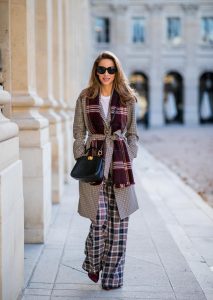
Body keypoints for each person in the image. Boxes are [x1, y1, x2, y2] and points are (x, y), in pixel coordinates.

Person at [73, 51, 139, 290]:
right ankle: (93, 261)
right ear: (95, 71)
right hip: (95, 162)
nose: (106, 74)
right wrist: (81, 155)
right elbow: (78, 131)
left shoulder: (128, 98)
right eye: (101, 69)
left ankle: (112, 278)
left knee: (119, 222)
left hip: (121, 162)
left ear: (117, 71)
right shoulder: (85, 97)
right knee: (98, 219)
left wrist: (130, 152)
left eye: (111, 69)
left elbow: (132, 133)